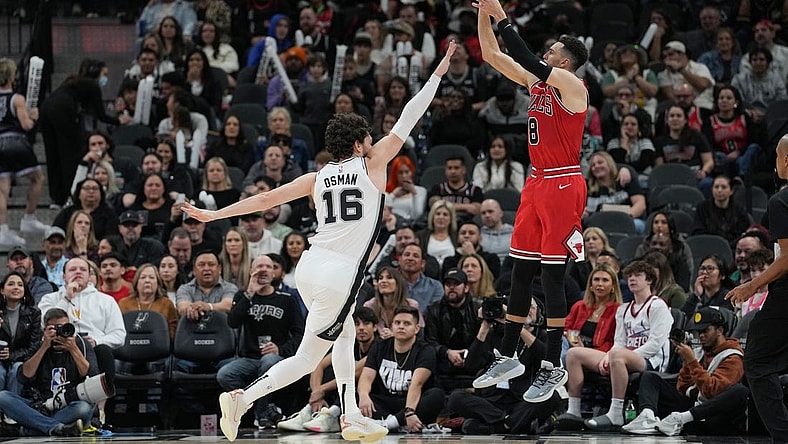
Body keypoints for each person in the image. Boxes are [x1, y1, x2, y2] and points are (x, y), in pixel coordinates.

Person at [181, 41, 457, 442]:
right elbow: (408, 117)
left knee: (343, 336)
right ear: (362, 142)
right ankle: (243, 398)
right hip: (340, 273)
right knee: (309, 356)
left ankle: (349, 418)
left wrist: (214, 215)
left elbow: (264, 198)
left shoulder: (318, 176)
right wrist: (436, 74)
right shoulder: (374, 163)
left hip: (310, 266)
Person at [473, 0, 589, 402]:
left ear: (567, 62)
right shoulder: (538, 85)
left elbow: (521, 53)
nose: (546, 52)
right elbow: (491, 54)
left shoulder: (574, 88)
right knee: (520, 272)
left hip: (563, 184)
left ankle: (553, 364)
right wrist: (483, 12)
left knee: (552, 276)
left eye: (554, 50)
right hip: (537, 183)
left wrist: (501, 12)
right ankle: (507, 354)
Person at [557, 260, 672, 431]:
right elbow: (619, 342)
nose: (632, 279)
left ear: (649, 280)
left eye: (638, 275)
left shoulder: (657, 305)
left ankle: (615, 413)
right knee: (574, 354)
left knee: (618, 355)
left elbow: (655, 344)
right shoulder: (624, 309)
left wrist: (615, 356)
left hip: (651, 360)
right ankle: (574, 411)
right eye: (630, 276)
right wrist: (607, 357)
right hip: (624, 357)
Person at [726, 134, 788, 444]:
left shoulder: (781, 200)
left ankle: (782, 435)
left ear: (785, 161)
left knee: (758, 361)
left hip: (785, 298)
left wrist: (752, 286)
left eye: (777, 156)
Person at [621, 307, 747, 436]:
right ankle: (647, 417)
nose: (701, 335)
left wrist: (692, 361)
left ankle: (680, 419)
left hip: (713, 416)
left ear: (720, 330)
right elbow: (682, 388)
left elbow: (711, 392)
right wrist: (687, 363)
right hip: (691, 408)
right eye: (699, 332)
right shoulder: (699, 352)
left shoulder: (733, 356)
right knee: (650, 378)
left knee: (740, 391)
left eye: (705, 331)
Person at [216, 255, 305, 429]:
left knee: (269, 361)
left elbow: (300, 333)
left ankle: (260, 414)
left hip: (276, 359)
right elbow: (233, 322)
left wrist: (280, 349)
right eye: (259, 266)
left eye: (268, 266)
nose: (263, 270)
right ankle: (265, 409)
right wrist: (250, 292)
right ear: (251, 272)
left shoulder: (287, 299)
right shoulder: (243, 295)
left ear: (274, 274)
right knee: (225, 374)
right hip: (249, 358)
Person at [0, 308, 96, 436]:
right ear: (44, 330)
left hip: (69, 406)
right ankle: (57, 427)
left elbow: (90, 375)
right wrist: (44, 346)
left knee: (83, 408)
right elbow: (25, 376)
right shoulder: (39, 346)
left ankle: (30, 429)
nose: (60, 332)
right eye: (54, 329)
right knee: (3, 396)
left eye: (64, 327)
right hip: (41, 407)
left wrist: (73, 349)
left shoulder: (81, 345)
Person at [357, 306, 444, 433]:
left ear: (416, 329)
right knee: (355, 393)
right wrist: (364, 396)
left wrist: (409, 412)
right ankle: (395, 424)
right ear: (392, 326)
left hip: (412, 402)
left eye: (407, 323)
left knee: (436, 395)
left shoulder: (425, 350)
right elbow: (366, 377)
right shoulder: (380, 346)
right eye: (397, 323)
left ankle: (387, 425)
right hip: (385, 402)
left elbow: (417, 384)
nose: (401, 326)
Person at [0, 58, 49, 244]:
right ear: (11, 76)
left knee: (2, 188)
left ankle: (3, 229)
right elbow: (26, 125)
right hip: (14, 141)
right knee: (37, 179)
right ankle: (28, 218)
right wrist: (33, 117)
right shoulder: (17, 98)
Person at [424, 268, 481, 378]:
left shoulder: (477, 310)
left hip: (474, 363)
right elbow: (430, 341)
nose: (451, 287)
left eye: (456, 284)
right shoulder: (433, 310)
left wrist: (470, 353)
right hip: (443, 363)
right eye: (448, 284)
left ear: (466, 288)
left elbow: (484, 342)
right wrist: (447, 352)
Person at [0, 271, 42, 394]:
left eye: (20, 285)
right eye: (11, 284)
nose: (16, 287)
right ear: (2, 290)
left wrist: (11, 356)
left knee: (16, 370)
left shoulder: (34, 313)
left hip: (21, 359)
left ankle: (11, 409)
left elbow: (34, 346)